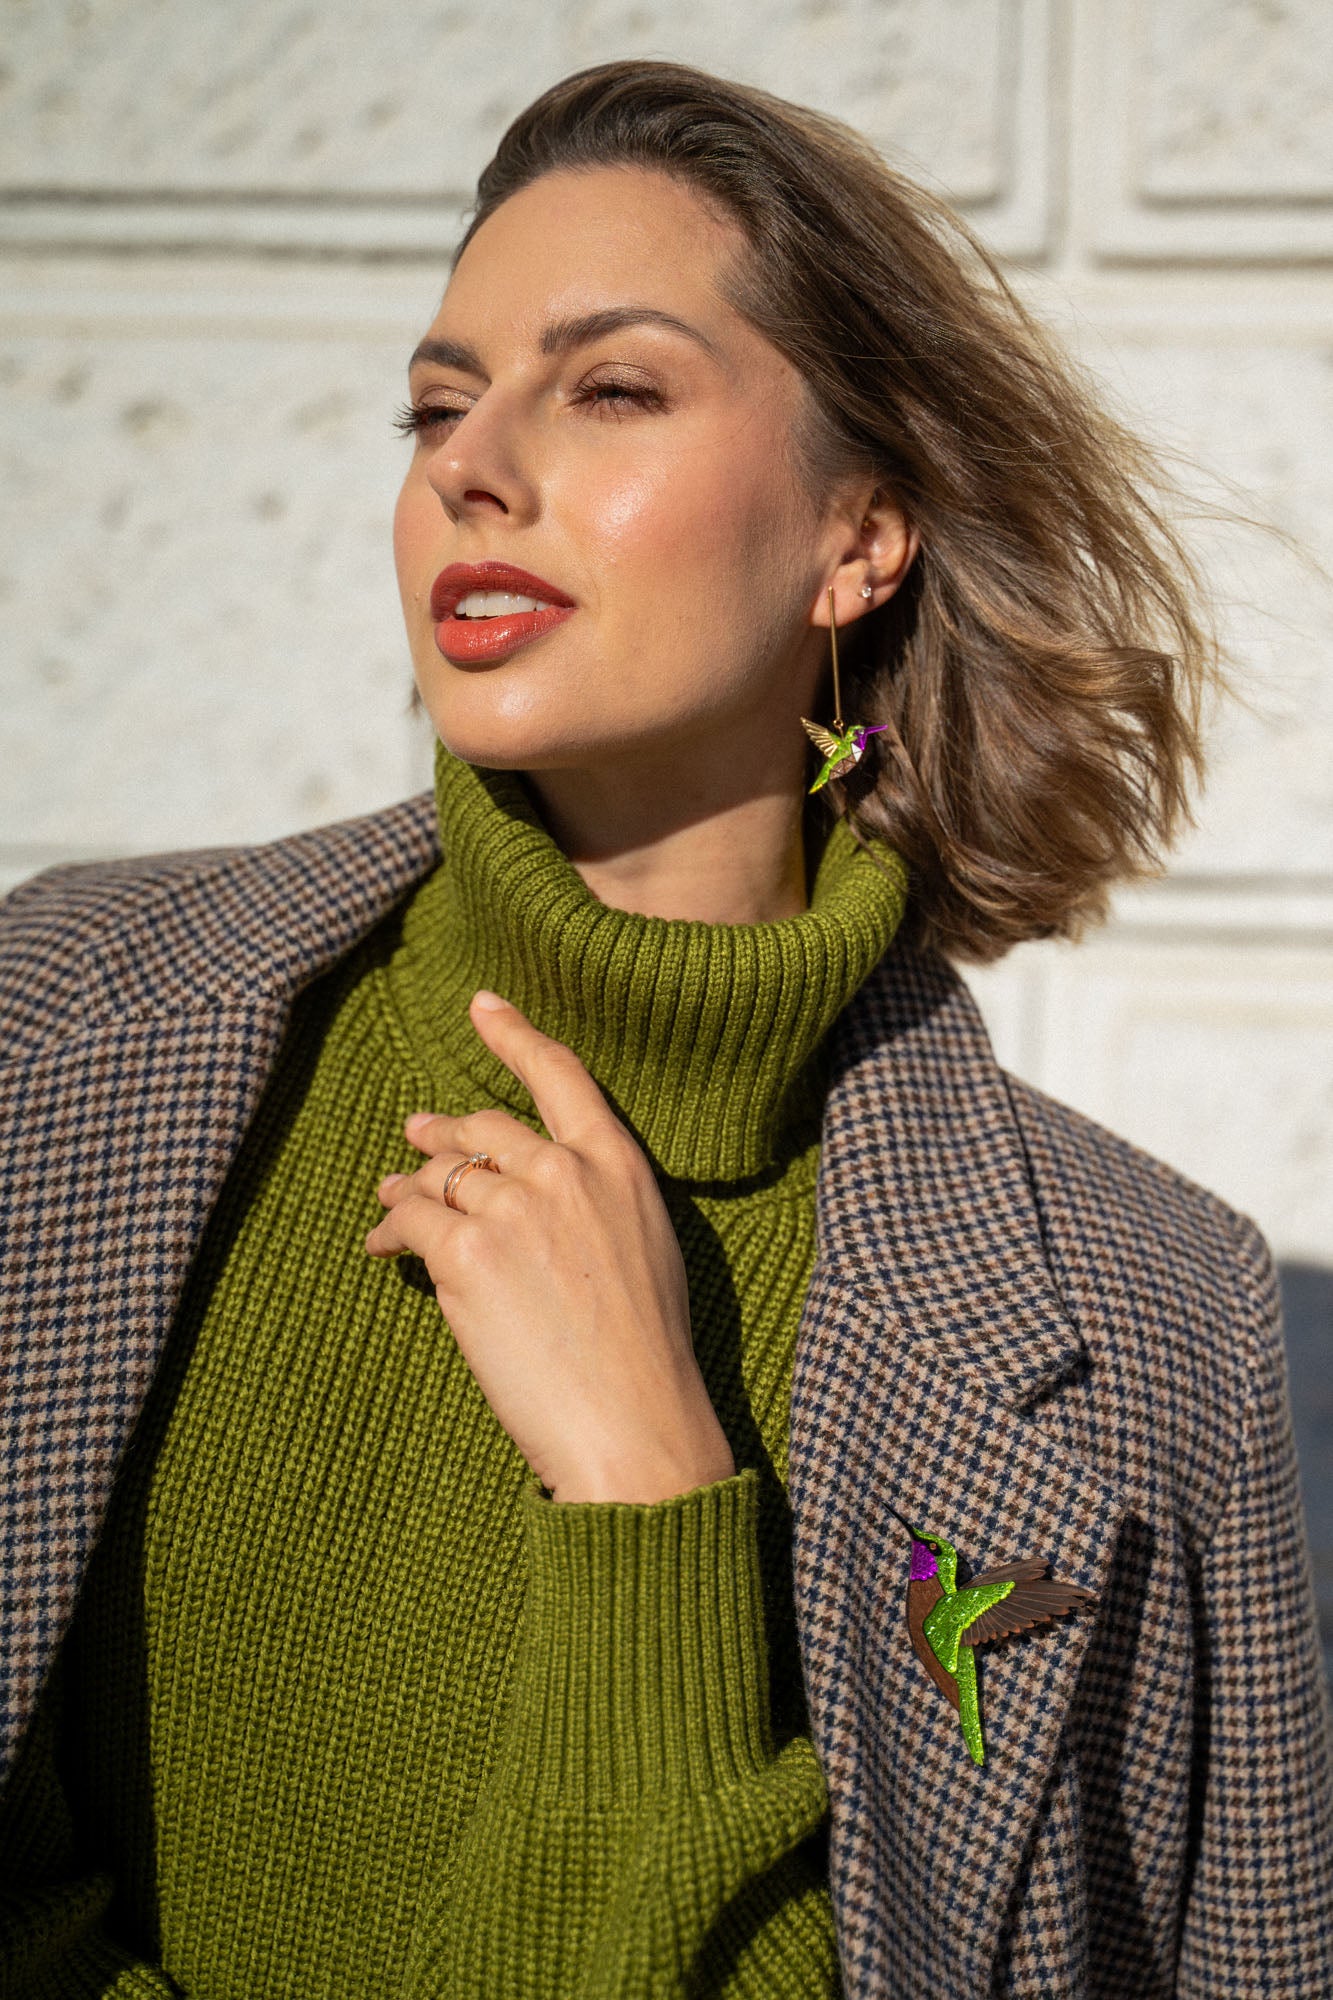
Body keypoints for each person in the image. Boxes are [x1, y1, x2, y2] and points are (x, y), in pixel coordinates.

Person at [0, 56, 1329, 2000]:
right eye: (437, 404)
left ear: (858, 538)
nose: (470, 462)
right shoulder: (62, 1031)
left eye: (608, 386)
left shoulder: (1156, 1319)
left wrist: (651, 1496)